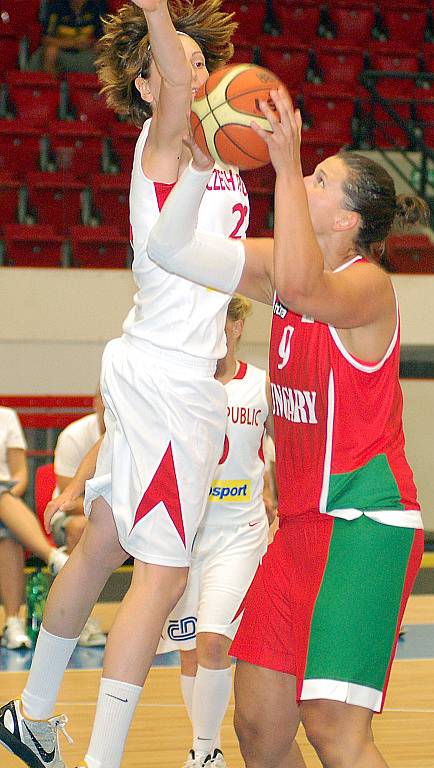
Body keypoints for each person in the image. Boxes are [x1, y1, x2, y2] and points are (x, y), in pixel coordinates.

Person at [142, 87, 428, 768]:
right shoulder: (281, 272)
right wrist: (197, 164)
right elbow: (170, 247)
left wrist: (286, 152)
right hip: (299, 528)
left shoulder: (368, 287)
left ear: (350, 221)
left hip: (365, 523)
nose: (301, 180)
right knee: (259, 729)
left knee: (333, 729)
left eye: (319, 179)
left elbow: (303, 288)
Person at [0, 2, 248, 768]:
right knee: (165, 576)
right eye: (179, 65)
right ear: (146, 86)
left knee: (105, 539)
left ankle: (32, 715)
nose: (195, 72)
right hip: (169, 379)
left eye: (205, 62)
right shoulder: (164, 136)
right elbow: (177, 76)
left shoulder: (214, 149)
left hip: (157, 366)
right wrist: (153, 9)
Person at [158, 295, 275, 768]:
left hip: (240, 533)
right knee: (189, 653)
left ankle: (203, 754)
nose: (217, 329)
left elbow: (285, 449)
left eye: (226, 319)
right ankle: (207, 745)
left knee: (213, 642)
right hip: (185, 537)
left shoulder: (264, 386)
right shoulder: (181, 385)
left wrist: (282, 502)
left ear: (239, 324)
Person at [0, 407, 68, 650]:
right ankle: (52, 556)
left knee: (6, 533)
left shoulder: (6, 417)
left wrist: (6, 494)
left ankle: (11, 623)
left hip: (5, 500)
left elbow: (20, 475)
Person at [51, 390, 107, 647]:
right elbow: (68, 500)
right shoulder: (74, 436)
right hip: (74, 515)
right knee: (81, 527)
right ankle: (81, 621)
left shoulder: (140, 432)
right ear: (96, 401)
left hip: (122, 515)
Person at [29, 0, 105, 75]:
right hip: (62, 51)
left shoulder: (96, 7)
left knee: (102, 49)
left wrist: (89, 43)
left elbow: (102, 38)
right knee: (50, 51)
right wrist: (70, 44)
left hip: (87, 51)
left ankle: (94, 85)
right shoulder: (56, 7)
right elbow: (46, 39)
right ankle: (52, 85)